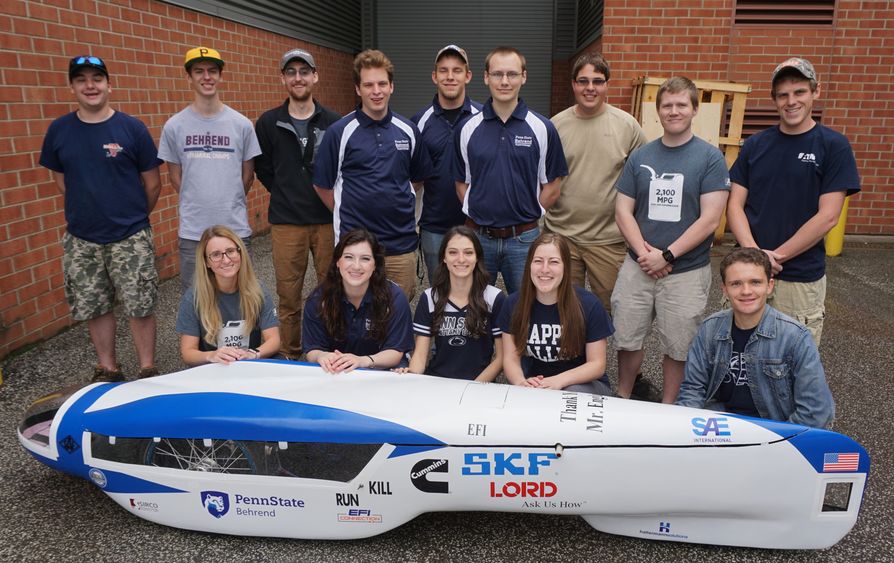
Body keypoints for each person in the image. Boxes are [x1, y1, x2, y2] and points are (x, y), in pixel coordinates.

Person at [39, 55, 162, 382]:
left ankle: (147, 368)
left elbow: (152, 183)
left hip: (131, 235)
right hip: (82, 239)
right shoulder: (59, 130)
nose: (90, 86)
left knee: (140, 304)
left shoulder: (131, 128)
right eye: (82, 80)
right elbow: (61, 179)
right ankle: (108, 367)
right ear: (72, 87)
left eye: (97, 78)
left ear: (109, 84)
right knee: (94, 306)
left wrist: (130, 216)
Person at [727, 57, 860, 347]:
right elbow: (734, 205)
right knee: (736, 354)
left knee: (791, 361)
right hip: (747, 271)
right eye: (783, 95)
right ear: (774, 99)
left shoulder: (833, 146)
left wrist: (776, 258)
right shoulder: (755, 145)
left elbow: (828, 217)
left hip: (799, 278)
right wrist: (755, 255)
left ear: (816, 92)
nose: (791, 101)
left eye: (799, 92)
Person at [612, 76, 730, 403]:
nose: (674, 111)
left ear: (694, 109)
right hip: (639, 265)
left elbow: (710, 218)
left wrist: (667, 255)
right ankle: (623, 395)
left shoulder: (709, 158)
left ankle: (669, 408)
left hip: (685, 271)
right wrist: (644, 253)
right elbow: (623, 210)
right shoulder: (641, 157)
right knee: (627, 337)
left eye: (681, 105)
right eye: (667, 105)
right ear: (658, 111)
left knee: (678, 345)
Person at [313, 49, 431, 300]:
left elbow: (418, 180)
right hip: (355, 248)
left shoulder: (408, 130)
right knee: (356, 313)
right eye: (368, 85)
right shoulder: (339, 132)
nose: (376, 91)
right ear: (358, 89)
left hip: (400, 246)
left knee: (398, 311)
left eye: (381, 84)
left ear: (391, 87)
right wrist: (350, 208)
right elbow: (322, 186)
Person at [676, 248, 835, 429]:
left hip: (774, 430)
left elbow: (815, 411)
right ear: (725, 289)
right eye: (736, 283)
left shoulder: (795, 337)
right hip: (720, 428)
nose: (746, 291)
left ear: (769, 286)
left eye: (755, 282)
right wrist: (686, 433)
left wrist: (776, 444)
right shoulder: (710, 328)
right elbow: (692, 390)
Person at [454, 46, 568, 295]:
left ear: (523, 77)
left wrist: (526, 215)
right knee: (476, 308)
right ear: (486, 77)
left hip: (524, 240)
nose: (504, 81)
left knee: (528, 307)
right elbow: (462, 183)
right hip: (478, 237)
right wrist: (480, 214)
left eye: (512, 74)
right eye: (497, 74)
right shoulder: (467, 128)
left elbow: (553, 186)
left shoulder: (542, 128)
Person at [255, 48, 343, 360]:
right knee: (289, 296)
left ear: (315, 76)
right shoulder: (268, 123)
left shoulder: (333, 122)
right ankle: (291, 355)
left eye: (304, 71)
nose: (298, 77)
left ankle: (329, 351)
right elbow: (263, 168)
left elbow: (340, 168)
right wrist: (285, 191)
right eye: (291, 72)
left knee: (331, 292)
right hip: (286, 222)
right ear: (283, 79)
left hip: (325, 222)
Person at [545, 52, 647, 311]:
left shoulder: (627, 126)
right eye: (583, 81)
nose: (590, 88)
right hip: (562, 236)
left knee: (616, 314)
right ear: (573, 84)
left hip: (608, 240)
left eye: (598, 81)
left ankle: (602, 354)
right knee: (565, 313)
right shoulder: (555, 126)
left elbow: (643, 180)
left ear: (607, 85)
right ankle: (573, 353)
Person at [158, 47, 262, 293]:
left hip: (234, 230)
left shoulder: (242, 125)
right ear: (189, 77)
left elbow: (247, 176)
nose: (206, 77)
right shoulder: (174, 126)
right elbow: (176, 178)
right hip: (194, 232)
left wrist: (228, 199)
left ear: (220, 76)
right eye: (199, 71)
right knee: (195, 303)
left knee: (239, 299)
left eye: (212, 71)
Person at [498, 233, 614, 395]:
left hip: (583, 385)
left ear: (565, 267)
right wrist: (521, 382)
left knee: (567, 394)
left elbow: (597, 364)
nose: (545, 269)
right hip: (538, 385)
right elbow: (511, 359)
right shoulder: (513, 304)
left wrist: (558, 381)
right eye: (538, 261)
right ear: (529, 265)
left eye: (553, 262)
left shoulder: (589, 305)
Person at [411, 45, 482, 280]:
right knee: (439, 294)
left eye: (457, 70)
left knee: (476, 292)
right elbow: (413, 181)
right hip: (434, 227)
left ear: (468, 75)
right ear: (434, 76)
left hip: (477, 226)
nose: (450, 76)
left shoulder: (483, 118)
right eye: (443, 70)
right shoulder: (418, 123)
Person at [303, 229, 414, 373]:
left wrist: (362, 361)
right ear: (338, 262)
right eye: (349, 257)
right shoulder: (318, 299)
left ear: (375, 265)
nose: (356, 266)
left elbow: (396, 351)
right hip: (337, 369)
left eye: (365, 259)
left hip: (382, 367)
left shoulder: (395, 297)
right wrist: (322, 356)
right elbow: (312, 348)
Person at [404, 226, 505, 380]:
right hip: (438, 382)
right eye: (453, 252)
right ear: (444, 257)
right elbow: (420, 355)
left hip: (480, 385)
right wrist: (410, 376)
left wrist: (472, 388)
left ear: (477, 257)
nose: (461, 259)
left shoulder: (494, 297)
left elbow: (501, 358)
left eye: (468, 252)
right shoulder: (430, 297)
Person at [176, 225, 280, 366]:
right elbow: (188, 352)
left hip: (247, 364)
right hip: (213, 368)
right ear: (206, 262)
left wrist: (252, 354)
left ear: (240, 253)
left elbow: (274, 340)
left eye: (230, 251)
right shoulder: (193, 298)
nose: (226, 260)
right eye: (216, 254)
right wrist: (212, 355)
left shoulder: (258, 290)